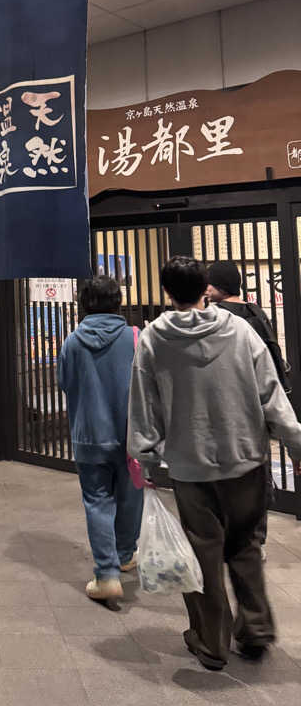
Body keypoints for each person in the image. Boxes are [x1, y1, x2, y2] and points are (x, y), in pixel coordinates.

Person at [128, 256, 301, 670]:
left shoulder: (153, 339)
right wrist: (296, 444)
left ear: (167, 291)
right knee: (245, 545)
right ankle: (255, 629)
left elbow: (144, 404)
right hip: (246, 459)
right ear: (205, 288)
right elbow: (271, 394)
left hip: (191, 466)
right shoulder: (240, 331)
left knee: (203, 551)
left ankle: (211, 643)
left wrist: (146, 455)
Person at [58, 275, 143, 603]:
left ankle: (106, 574)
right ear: (118, 302)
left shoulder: (72, 342)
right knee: (131, 496)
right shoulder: (135, 337)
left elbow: (65, 383)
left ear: (84, 304)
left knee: (97, 501)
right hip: (130, 436)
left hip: (90, 435)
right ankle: (125, 554)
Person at [206, 259, 292, 558]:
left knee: (223, 478)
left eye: (209, 283)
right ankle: (255, 539)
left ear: (218, 286)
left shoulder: (218, 317)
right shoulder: (257, 313)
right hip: (257, 410)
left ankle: (229, 537)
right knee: (256, 476)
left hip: (226, 409)